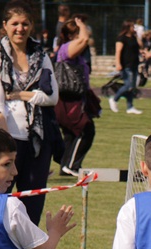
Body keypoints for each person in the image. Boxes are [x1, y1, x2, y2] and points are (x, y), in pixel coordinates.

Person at [0, 0, 59, 225]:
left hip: (38, 141)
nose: (20, 28)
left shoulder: (42, 56)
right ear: (5, 25)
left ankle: (26, 247)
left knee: (32, 207)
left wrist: (19, 94)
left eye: (25, 23)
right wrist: (3, 141)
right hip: (7, 137)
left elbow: (52, 97)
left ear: (31, 26)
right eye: (15, 23)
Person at [54, 17, 97, 177]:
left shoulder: (75, 53)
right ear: (71, 36)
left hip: (74, 99)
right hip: (68, 99)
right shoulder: (66, 49)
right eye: (78, 33)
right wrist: (81, 24)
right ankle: (71, 165)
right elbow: (85, 39)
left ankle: (65, 167)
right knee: (85, 129)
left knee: (71, 134)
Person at [110, 19, 142, 115]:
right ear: (127, 27)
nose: (134, 28)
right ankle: (114, 99)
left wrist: (137, 36)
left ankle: (130, 107)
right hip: (126, 65)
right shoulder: (121, 38)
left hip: (134, 64)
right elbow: (118, 51)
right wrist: (118, 63)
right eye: (132, 26)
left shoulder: (134, 37)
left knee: (132, 87)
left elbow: (141, 45)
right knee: (128, 85)